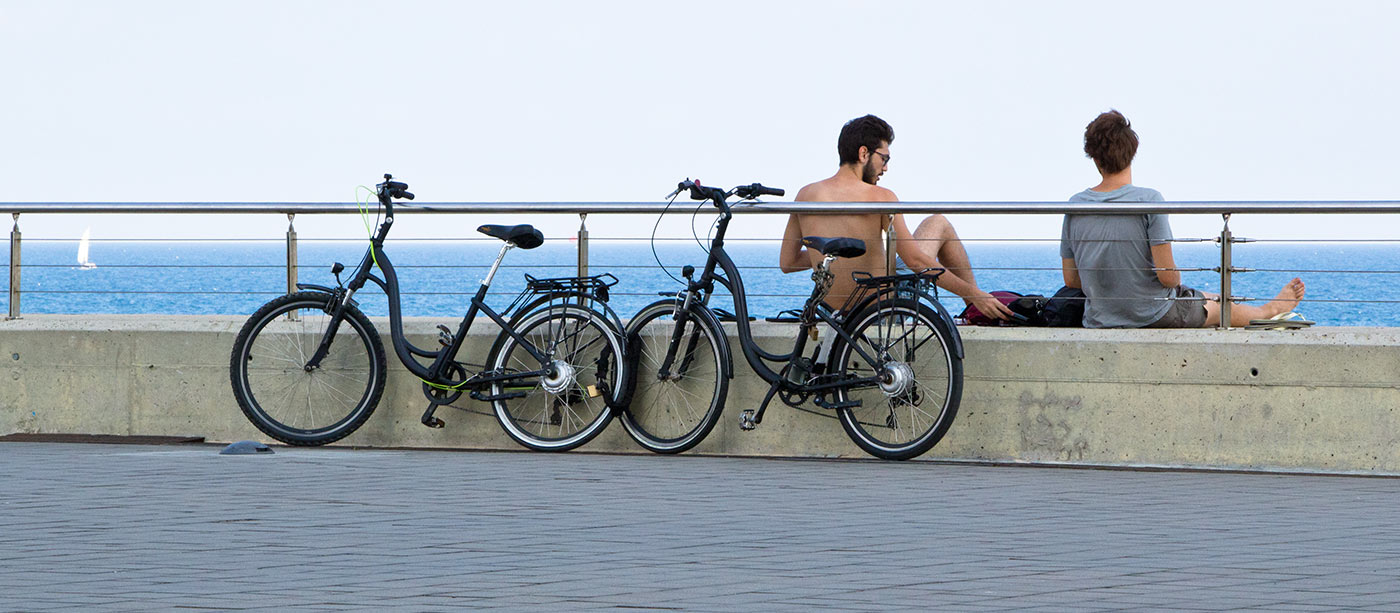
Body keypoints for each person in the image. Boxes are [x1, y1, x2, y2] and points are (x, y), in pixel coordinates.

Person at [1060, 110, 1304, 328]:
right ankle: (1270, 310)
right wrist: (1173, 279)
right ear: (1133, 151)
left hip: (1100, 317)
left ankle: (1266, 310)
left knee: (1206, 297)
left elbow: (1071, 279)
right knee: (1215, 306)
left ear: (1093, 157)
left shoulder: (1076, 205)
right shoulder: (1149, 200)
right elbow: (1168, 277)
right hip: (1152, 315)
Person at [779, 114, 1012, 319]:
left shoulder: (805, 195)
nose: (886, 168)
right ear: (863, 153)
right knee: (938, 222)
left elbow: (787, 262)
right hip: (878, 312)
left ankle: (975, 305)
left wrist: (836, 256)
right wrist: (974, 293)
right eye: (884, 158)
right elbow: (916, 262)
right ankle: (975, 307)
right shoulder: (881, 197)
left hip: (831, 312)